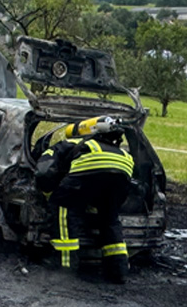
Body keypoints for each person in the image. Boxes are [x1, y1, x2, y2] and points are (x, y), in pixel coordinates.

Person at [35, 116, 135, 284]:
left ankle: (65, 266)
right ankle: (118, 270)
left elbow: (44, 171)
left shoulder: (71, 143)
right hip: (122, 174)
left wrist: (48, 191)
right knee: (109, 218)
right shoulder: (120, 150)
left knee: (63, 208)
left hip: (89, 173)